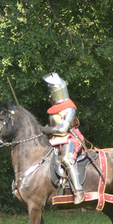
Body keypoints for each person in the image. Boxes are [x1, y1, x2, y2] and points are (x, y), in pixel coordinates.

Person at [40, 72, 85, 204]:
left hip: (70, 137)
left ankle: (78, 191)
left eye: (51, 93)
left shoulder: (69, 108)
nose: (49, 96)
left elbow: (62, 128)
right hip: (55, 139)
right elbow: (52, 126)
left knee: (66, 158)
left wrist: (45, 129)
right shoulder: (54, 109)